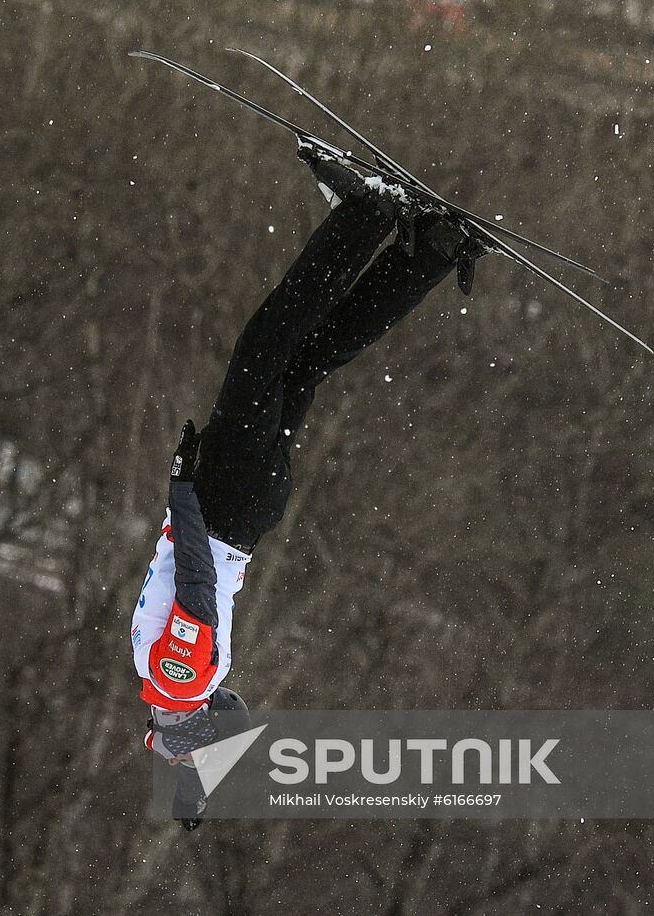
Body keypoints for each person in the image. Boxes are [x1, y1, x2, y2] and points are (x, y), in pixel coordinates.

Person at [130, 141, 485, 773]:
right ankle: (367, 216)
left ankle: (428, 251)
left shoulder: (180, 691)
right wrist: (182, 487)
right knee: (268, 343)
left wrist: (193, 791)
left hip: (247, 510)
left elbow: (180, 742)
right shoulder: (180, 681)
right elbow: (194, 582)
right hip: (222, 504)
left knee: (309, 356)